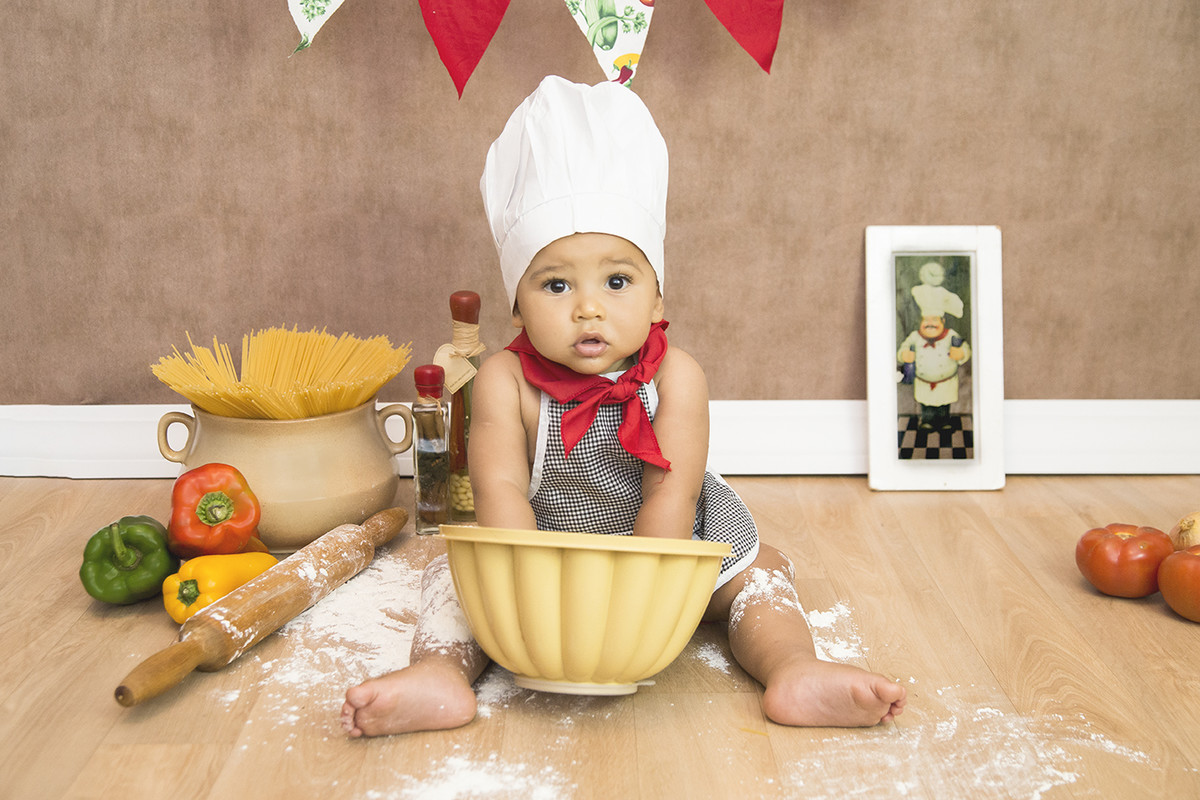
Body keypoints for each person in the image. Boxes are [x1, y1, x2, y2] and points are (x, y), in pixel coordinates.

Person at [341, 76, 906, 737]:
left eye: (617, 280)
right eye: (556, 284)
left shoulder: (679, 377)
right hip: (545, 558)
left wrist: (639, 599)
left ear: (658, 300)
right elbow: (501, 496)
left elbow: (671, 495)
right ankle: (439, 673)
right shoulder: (504, 380)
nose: (588, 306)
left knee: (763, 576)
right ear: (518, 305)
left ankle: (793, 668)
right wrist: (529, 599)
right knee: (452, 578)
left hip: (667, 556)